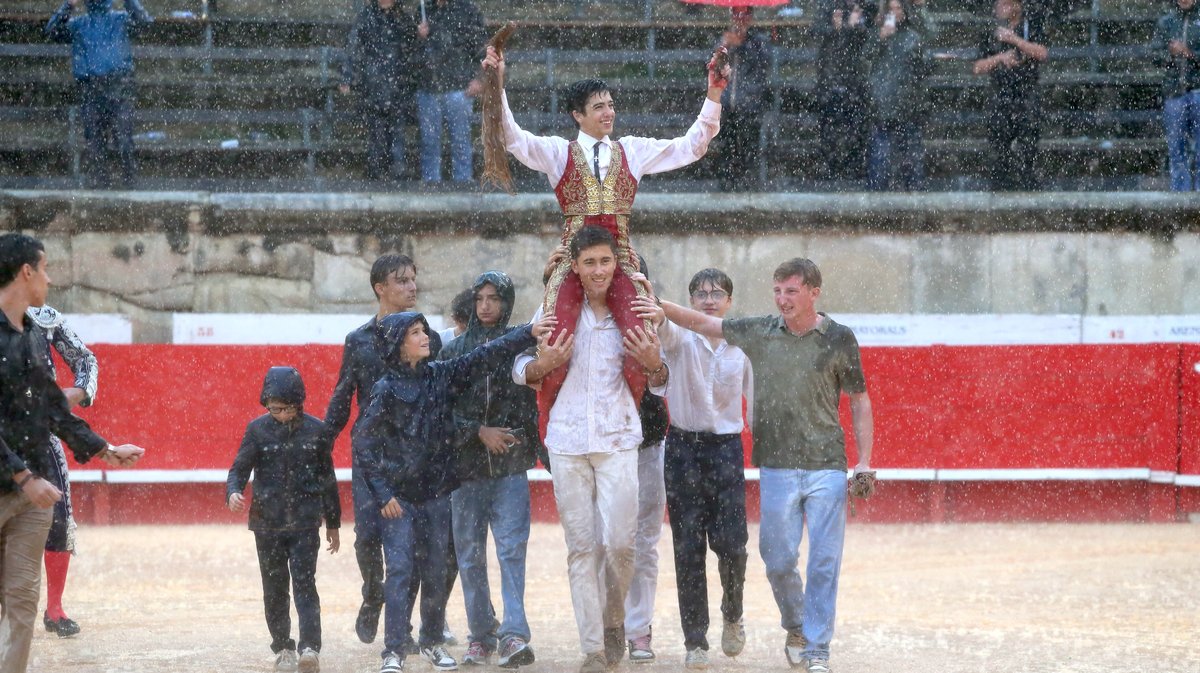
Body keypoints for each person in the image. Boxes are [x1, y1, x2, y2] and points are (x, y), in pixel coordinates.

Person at [480, 43, 726, 441]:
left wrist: (713, 94)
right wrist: (498, 83)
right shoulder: (560, 153)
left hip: (623, 261)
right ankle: (552, 430)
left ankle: (627, 422)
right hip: (571, 262)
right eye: (598, 106)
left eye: (610, 104)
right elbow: (512, 138)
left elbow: (693, 145)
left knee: (640, 342)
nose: (608, 112)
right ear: (577, 115)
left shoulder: (633, 150)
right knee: (553, 346)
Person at [657, 257, 873, 673]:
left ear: (814, 292)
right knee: (776, 559)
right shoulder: (759, 331)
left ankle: (816, 648)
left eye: (791, 291)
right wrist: (656, 300)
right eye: (777, 291)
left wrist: (864, 461)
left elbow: (859, 400)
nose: (782, 299)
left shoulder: (839, 338)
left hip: (827, 463)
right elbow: (703, 324)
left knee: (824, 561)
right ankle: (795, 624)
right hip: (775, 464)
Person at [356, 309, 554, 673]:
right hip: (399, 500)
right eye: (415, 333)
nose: (425, 336)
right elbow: (363, 445)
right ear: (400, 346)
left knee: (434, 570)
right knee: (400, 570)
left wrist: (528, 332)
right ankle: (394, 650)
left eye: (423, 330)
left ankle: (431, 641)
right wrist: (383, 495)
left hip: (436, 494)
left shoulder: (440, 375)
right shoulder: (385, 389)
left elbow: (484, 356)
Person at [511, 225, 668, 673]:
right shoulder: (552, 307)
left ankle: (614, 618)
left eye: (605, 261)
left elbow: (660, 377)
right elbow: (518, 362)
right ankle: (593, 649)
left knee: (621, 544)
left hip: (619, 437)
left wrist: (655, 363)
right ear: (574, 268)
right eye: (589, 263)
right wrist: (544, 364)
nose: (598, 271)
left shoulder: (638, 308)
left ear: (616, 263)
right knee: (582, 548)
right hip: (567, 440)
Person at [0, 232, 145, 673]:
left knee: (23, 601)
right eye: (45, 268)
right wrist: (22, 474)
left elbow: (50, 405)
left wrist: (104, 450)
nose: (49, 277)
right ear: (27, 272)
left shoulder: (32, 333)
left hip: (31, 490)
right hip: (18, 480)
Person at [323, 254, 452, 652]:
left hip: (415, 460)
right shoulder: (359, 341)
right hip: (373, 460)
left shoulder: (428, 338)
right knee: (367, 538)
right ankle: (373, 593)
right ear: (381, 288)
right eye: (402, 281)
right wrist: (322, 442)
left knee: (412, 546)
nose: (411, 287)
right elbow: (344, 396)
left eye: (414, 280)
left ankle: (406, 630)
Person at [630, 267, 752, 671]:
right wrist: (651, 296)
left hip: (727, 450)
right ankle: (695, 639)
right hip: (683, 447)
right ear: (691, 300)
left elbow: (760, 403)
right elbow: (661, 322)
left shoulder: (744, 345)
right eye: (701, 294)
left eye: (717, 292)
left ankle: (732, 612)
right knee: (688, 546)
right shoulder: (679, 337)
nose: (709, 299)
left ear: (730, 301)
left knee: (733, 544)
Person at [438, 271, 539, 668]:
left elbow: (532, 405)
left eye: (494, 298)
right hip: (466, 469)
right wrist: (478, 431)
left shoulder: (521, 346)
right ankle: (481, 635)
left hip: (510, 464)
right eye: (480, 298)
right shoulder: (452, 351)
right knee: (470, 555)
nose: (485, 306)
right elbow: (439, 412)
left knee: (511, 551)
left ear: (506, 302)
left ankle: (513, 634)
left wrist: (530, 445)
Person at [226, 366, 342, 673]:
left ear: (299, 403)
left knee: (305, 585)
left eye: (287, 408)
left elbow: (328, 480)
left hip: (305, 523)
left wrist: (333, 524)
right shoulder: (257, 429)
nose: (281, 415)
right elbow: (238, 469)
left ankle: (309, 648)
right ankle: (282, 647)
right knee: (274, 588)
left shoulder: (317, 431)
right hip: (267, 524)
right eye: (274, 408)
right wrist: (233, 492)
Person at [26, 305, 98, 639]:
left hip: (42, 434)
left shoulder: (43, 318)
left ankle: (54, 608)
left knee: (57, 519)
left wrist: (80, 390)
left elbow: (85, 359)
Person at [44, 0, 152, 188]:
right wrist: (68, 5)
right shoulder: (79, 24)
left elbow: (145, 23)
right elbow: (51, 31)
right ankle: (101, 185)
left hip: (119, 86)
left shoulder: (120, 19)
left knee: (124, 141)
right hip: (91, 88)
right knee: (95, 142)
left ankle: (129, 184)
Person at [972, 0, 1048, 191]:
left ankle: (1027, 186)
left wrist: (1016, 41)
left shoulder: (1033, 24)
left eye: (1005, 4)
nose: (999, 8)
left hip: (1026, 92)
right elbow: (977, 67)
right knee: (999, 146)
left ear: (1017, 6)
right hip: (1000, 93)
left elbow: (1042, 53)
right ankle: (1001, 190)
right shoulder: (991, 30)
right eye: (998, 4)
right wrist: (1000, 58)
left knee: (1028, 145)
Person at [340, 0, 419, 182]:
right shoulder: (367, 17)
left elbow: (413, 48)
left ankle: (396, 175)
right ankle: (376, 175)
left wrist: (418, 34)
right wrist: (347, 76)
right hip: (373, 86)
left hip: (398, 87)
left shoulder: (403, 19)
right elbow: (353, 47)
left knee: (397, 135)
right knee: (376, 136)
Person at [415, 0, 487, 184]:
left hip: (459, 89)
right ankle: (431, 184)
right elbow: (410, 53)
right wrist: (418, 38)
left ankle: (463, 184)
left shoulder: (468, 10)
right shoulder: (423, 10)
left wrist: (480, 79)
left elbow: (481, 48)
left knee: (461, 141)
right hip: (429, 87)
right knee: (429, 143)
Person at [867, 0, 929, 191]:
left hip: (907, 104)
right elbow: (864, 59)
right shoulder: (875, 36)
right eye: (891, 9)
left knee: (911, 157)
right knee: (881, 157)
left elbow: (923, 68)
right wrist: (880, 38)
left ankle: (914, 197)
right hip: (882, 104)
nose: (895, 12)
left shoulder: (914, 38)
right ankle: (876, 199)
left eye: (899, 8)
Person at [814, 0, 872, 183]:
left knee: (857, 129)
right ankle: (831, 169)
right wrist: (837, 28)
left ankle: (853, 169)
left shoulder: (866, 7)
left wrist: (851, 28)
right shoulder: (828, 6)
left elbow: (869, 37)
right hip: (830, 79)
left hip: (855, 81)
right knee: (829, 130)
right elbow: (816, 31)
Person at [715, 8, 771, 191]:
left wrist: (742, 45)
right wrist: (725, 46)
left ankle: (747, 183)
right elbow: (712, 65)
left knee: (748, 146)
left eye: (743, 17)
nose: (739, 21)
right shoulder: (725, 39)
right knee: (727, 144)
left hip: (749, 104)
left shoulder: (758, 41)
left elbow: (762, 62)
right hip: (727, 102)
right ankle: (727, 182)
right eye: (736, 17)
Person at [1154, 0, 1200, 191]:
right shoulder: (1166, 22)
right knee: (1176, 151)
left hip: (1198, 91)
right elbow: (1154, 55)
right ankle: (1179, 198)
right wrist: (1171, 54)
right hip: (1174, 93)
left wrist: (1189, 54)